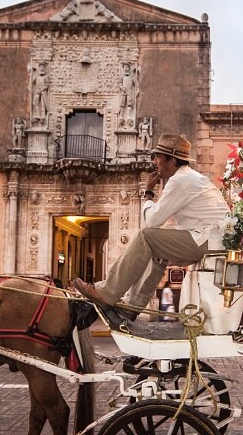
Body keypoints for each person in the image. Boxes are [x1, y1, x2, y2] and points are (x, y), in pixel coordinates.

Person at [73, 134, 229, 318]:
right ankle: (132, 307)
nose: (154, 162)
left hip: (206, 241)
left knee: (146, 236)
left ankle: (107, 292)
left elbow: (153, 220)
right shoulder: (190, 177)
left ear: (171, 160)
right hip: (212, 241)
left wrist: (148, 193)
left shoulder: (179, 181)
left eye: (158, 157)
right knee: (158, 249)